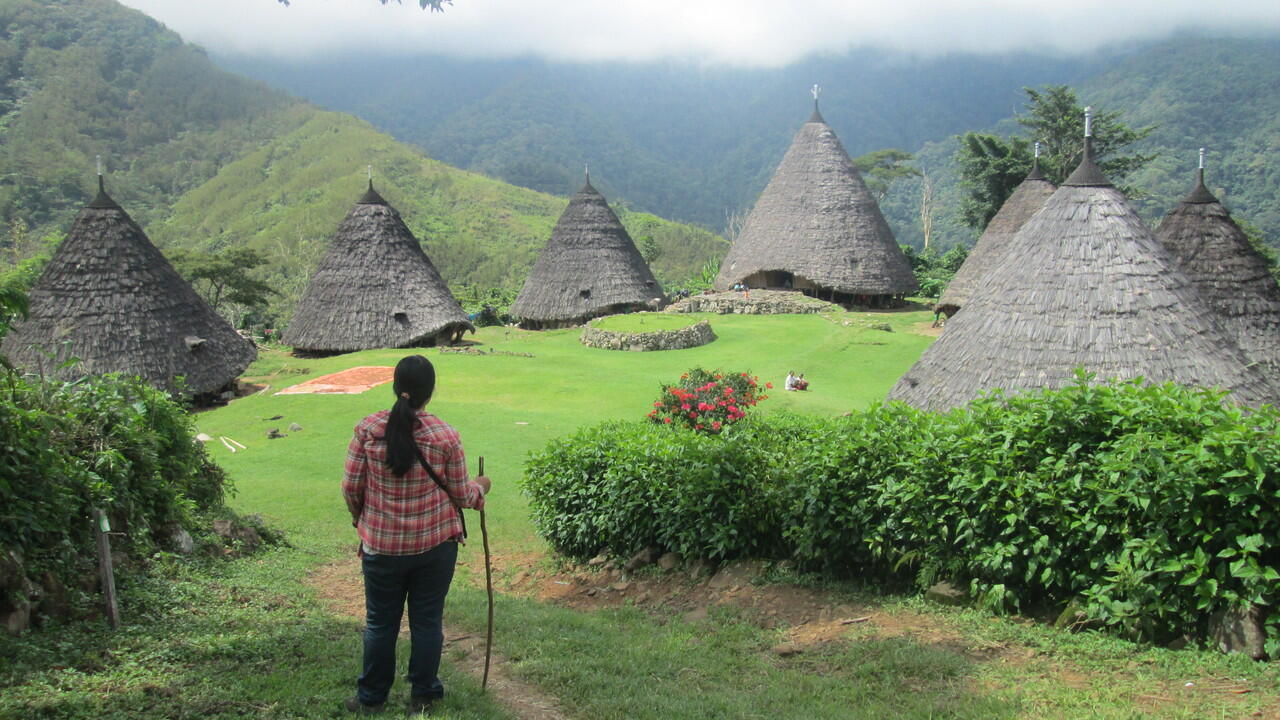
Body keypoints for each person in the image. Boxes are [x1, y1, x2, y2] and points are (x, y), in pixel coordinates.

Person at [342, 355, 491, 715]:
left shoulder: (367, 429)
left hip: (381, 547)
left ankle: (371, 698)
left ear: (395, 387)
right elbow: (462, 495)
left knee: (380, 623)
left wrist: (364, 521)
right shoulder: (445, 436)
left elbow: (351, 488)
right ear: (430, 391)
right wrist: (482, 487)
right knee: (426, 621)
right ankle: (423, 694)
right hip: (434, 547)